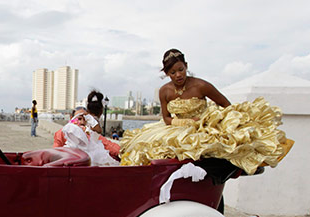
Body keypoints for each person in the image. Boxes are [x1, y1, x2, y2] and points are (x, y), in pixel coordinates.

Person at [119, 49, 293, 174]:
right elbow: (166, 118)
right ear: (167, 74)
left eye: (181, 69)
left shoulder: (201, 85)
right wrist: (185, 122)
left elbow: (226, 105)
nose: (178, 75)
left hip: (201, 128)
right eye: (173, 72)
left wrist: (214, 121)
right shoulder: (164, 91)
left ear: (186, 66)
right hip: (175, 128)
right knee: (143, 149)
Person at [53, 92, 121, 160]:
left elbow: (108, 144)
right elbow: (55, 153)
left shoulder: (88, 132)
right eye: (79, 119)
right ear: (71, 118)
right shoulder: (61, 133)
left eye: (85, 119)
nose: (82, 122)